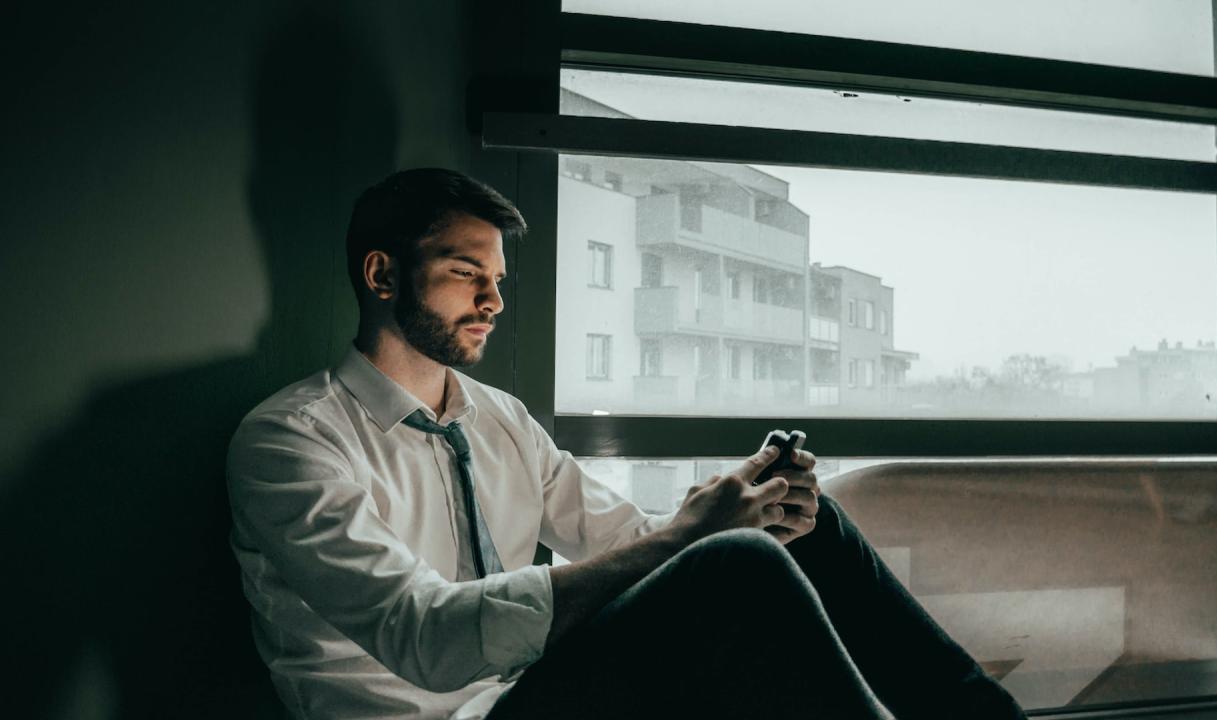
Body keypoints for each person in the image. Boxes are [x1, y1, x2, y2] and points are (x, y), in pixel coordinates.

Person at [226, 168, 1026, 720]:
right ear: (383, 275)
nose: (495, 299)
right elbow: (424, 636)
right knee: (737, 559)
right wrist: (701, 537)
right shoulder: (291, 443)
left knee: (798, 526)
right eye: (467, 273)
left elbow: (634, 545)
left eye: (500, 278)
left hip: (539, 694)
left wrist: (739, 504)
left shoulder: (499, 418)